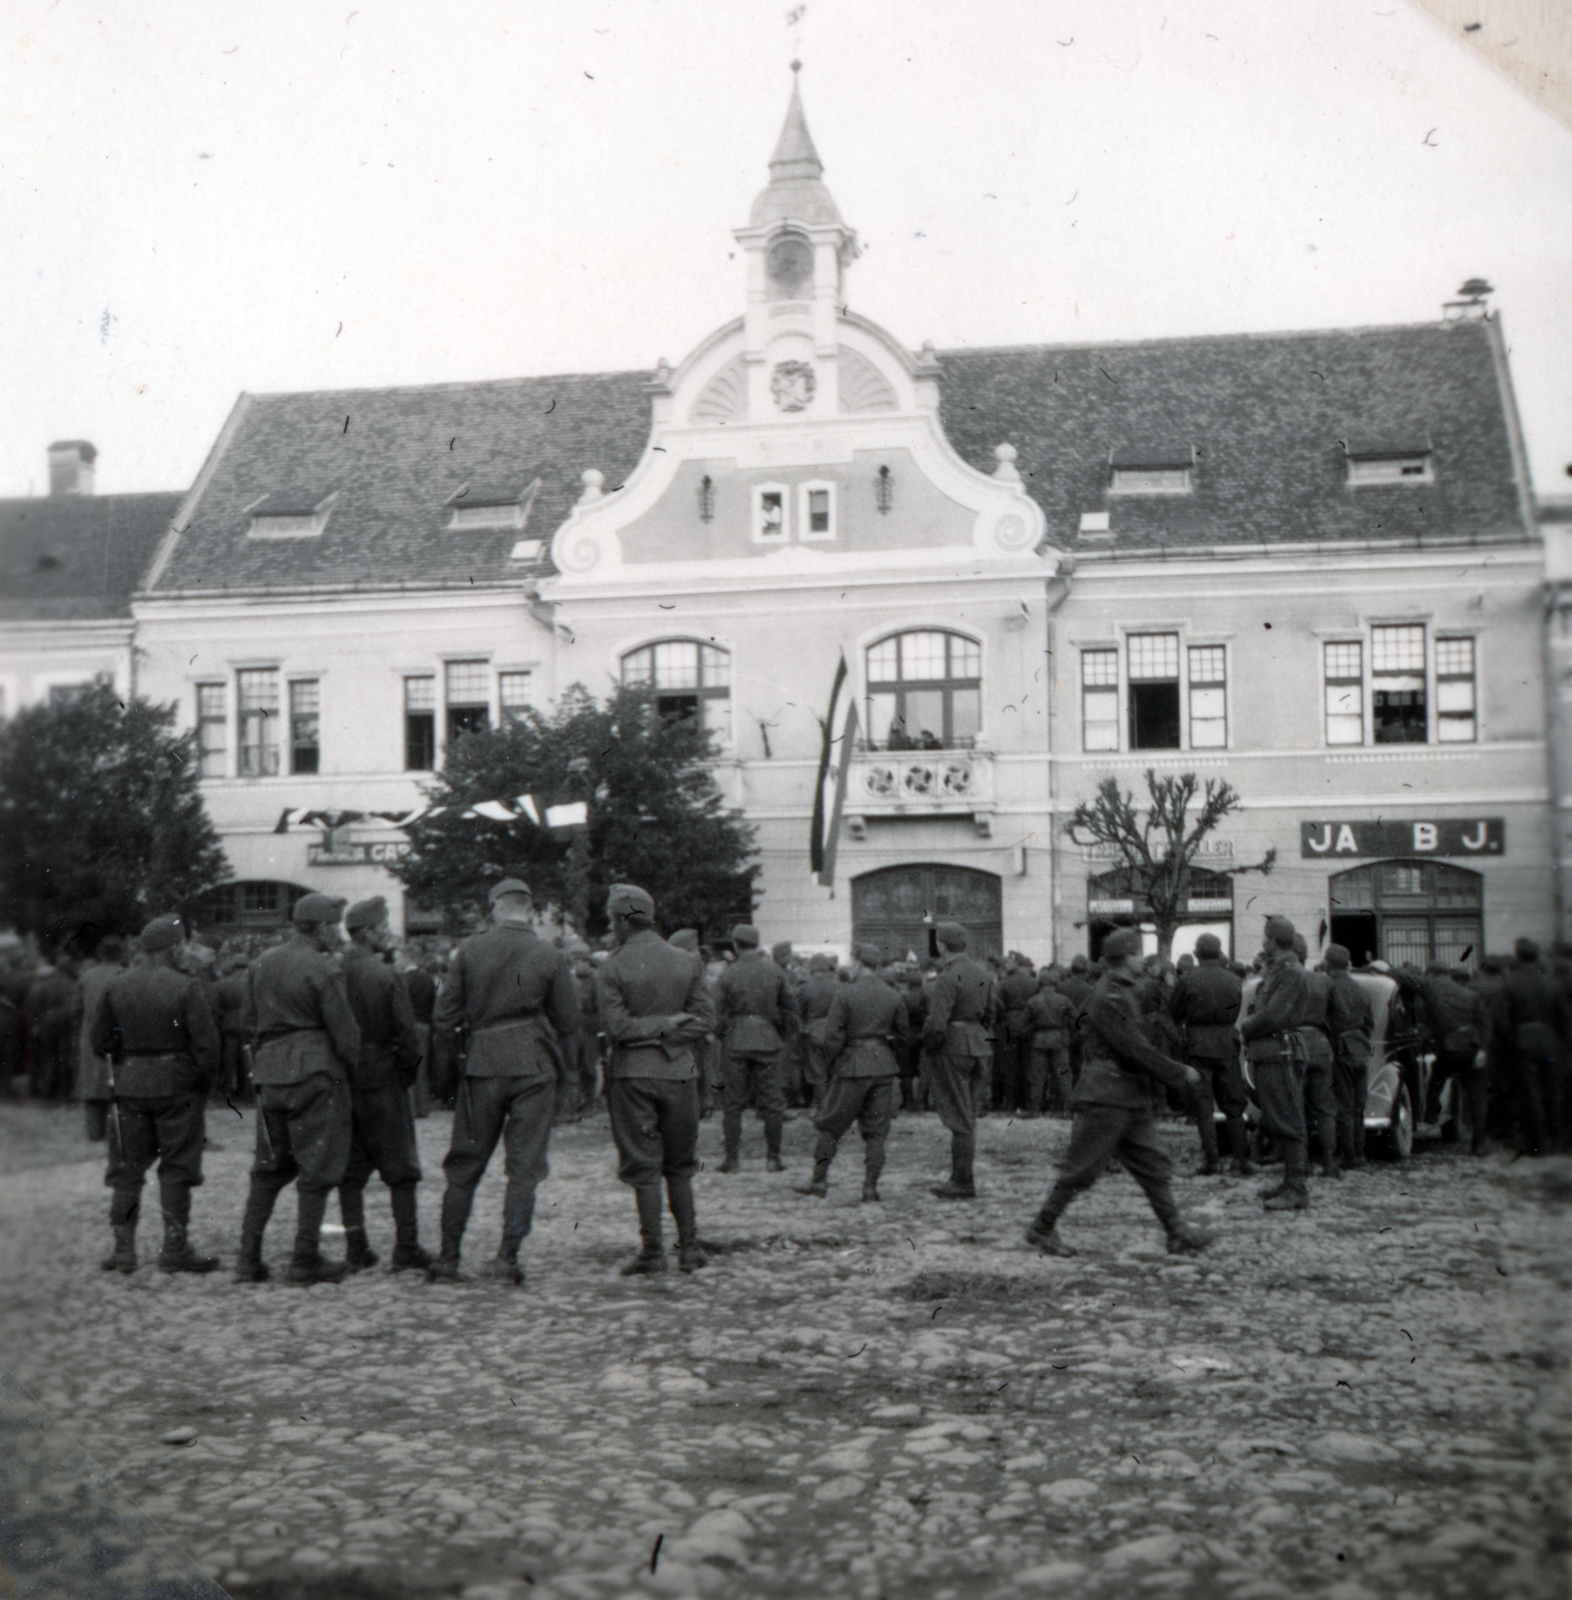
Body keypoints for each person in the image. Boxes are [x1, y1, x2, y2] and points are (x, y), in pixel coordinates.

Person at [1023, 928, 1210, 1258]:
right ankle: (1042, 1227)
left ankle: (1176, 1231)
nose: (1142, 960)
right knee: (1080, 1168)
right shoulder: (1110, 996)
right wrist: (1178, 1072)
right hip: (1108, 1094)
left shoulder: (1122, 991)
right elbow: (1134, 1048)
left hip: (1126, 1094)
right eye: (1137, 954)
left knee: (1153, 1164)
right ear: (1124, 959)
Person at [428, 879, 579, 1284]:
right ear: (528, 909)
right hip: (533, 1063)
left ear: (494, 907)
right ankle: (507, 1257)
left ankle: (447, 1258)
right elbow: (568, 1021)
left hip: (482, 1064)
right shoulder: (548, 952)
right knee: (524, 1169)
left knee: (463, 1166)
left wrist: (463, 1052)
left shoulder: (468, 951)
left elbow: (444, 1019)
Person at [234, 894, 360, 1284]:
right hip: (314, 1069)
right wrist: (349, 1066)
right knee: (317, 1167)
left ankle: (247, 1259)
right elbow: (346, 1033)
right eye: (334, 926)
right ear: (320, 927)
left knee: (268, 1168)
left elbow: (249, 1020)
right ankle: (304, 1259)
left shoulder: (262, 963)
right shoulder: (322, 968)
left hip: (270, 1073)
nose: (338, 934)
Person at [90, 915, 222, 1274]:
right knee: (177, 1166)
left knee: (127, 1168)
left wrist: (129, 1058)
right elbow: (208, 1049)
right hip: (177, 1085)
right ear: (174, 947)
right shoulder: (186, 986)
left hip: (130, 1084)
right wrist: (194, 1079)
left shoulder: (116, 985)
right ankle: (175, 1247)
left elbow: (99, 1041)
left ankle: (124, 1250)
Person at [596, 885, 716, 1274]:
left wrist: (652, 1030)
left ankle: (652, 1252)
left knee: (644, 1166)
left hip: (632, 1074)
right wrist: (669, 1033)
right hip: (680, 1071)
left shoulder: (612, 965)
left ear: (618, 920)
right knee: (681, 1165)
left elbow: (616, 1027)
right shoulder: (686, 961)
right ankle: (690, 1247)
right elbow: (705, 1020)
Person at [335, 897, 429, 1272]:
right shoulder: (386, 975)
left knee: (350, 1170)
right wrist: (404, 1075)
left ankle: (356, 1247)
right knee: (401, 1168)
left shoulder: (332, 971)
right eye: (384, 927)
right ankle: (406, 1247)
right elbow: (407, 1037)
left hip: (345, 1078)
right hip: (384, 1076)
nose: (389, 934)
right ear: (368, 932)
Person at [795, 943, 908, 1202]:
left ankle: (819, 1181)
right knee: (878, 1132)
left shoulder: (845, 993)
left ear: (857, 962)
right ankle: (870, 1188)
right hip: (883, 1065)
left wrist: (833, 1062)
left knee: (831, 1124)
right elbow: (903, 1035)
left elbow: (832, 1036)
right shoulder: (893, 994)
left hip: (852, 1064)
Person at [1238, 916, 1312, 1211]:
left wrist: (1245, 1026)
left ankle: (1297, 1187)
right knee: (1279, 1117)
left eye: (1264, 937)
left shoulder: (1290, 972)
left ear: (1271, 940)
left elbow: (1273, 1016)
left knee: (1288, 1119)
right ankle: (1289, 1182)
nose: (1262, 942)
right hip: (1270, 1053)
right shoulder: (1280, 970)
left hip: (1279, 1053)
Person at [714, 924, 800, 1172]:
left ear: (735, 945)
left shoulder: (728, 974)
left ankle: (732, 1160)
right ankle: (773, 1158)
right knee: (772, 1101)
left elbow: (717, 1011)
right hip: (767, 1038)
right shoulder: (775, 971)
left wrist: (725, 1033)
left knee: (732, 1103)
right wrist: (775, 1031)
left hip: (736, 1039)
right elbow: (790, 1008)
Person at [1166, 932, 1247, 1174]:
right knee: (1234, 1104)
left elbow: (1174, 1011)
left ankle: (1212, 1160)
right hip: (1226, 1043)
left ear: (1197, 953)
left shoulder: (1188, 979)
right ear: (1219, 952)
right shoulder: (1234, 980)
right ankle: (1240, 1159)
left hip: (1198, 1044)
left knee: (1203, 1105)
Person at [923, 922, 993, 1200]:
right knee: (969, 1115)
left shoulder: (947, 977)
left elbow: (937, 1023)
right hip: (978, 1044)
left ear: (941, 946)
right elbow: (991, 1014)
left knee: (960, 1118)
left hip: (953, 1047)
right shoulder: (983, 973)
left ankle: (962, 1181)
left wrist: (929, 1047)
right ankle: (960, 1178)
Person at [1491, 937, 1569, 1157]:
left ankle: (1537, 1145)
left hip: (1522, 1041)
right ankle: (1556, 1140)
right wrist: (1561, 1042)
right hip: (1549, 1041)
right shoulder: (1551, 983)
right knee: (1551, 1090)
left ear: (1518, 956)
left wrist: (1511, 1040)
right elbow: (1563, 1018)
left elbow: (1500, 1019)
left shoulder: (1510, 983)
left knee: (1529, 1093)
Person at [1323, 945, 1373, 1167]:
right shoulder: (1361, 988)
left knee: (1342, 1105)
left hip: (1340, 1048)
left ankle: (1348, 1155)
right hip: (1361, 1049)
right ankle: (1360, 1154)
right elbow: (1369, 1024)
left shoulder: (1329, 986)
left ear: (1328, 964)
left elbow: (1325, 1021)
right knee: (1358, 1106)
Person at [1295, 934, 1340, 1179]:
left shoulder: (1281, 978)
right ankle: (1329, 1163)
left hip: (1292, 1044)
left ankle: (1301, 1164)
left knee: (1296, 1107)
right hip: (1320, 1044)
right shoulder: (1323, 980)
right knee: (1325, 1109)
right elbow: (1340, 1014)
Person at [77, 935, 127, 1141]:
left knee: (92, 1088)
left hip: (90, 1037)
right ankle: (117, 1133)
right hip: (118, 1038)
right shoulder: (124, 975)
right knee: (118, 1086)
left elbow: (76, 1008)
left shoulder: (86, 977)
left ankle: (94, 1134)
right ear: (121, 953)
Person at [1023, 969, 1074, 1117]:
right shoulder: (1064, 1000)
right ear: (1055, 983)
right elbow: (1076, 1018)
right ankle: (1068, 1109)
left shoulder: (1032, 1001)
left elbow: (1023, 1024)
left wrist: (1034, 1026)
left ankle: (1035, 1109)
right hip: (1059, 1038)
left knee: (1038, 1076)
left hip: (1039, 1039)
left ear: (1040, 983)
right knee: (1063, 1074)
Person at [995, 953, 1039, 1116]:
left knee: (1010, 1066)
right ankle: (1027, 1102)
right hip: (1028, 1025)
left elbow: (997, 1005)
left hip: (1008, 1025)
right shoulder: (1033, 983)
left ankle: (1011, 1104)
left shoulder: (1003, 984)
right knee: (1028, 1065)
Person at [400, 951, 438, 1118]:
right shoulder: (428, 979)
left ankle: (412, 1107)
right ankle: (424, 1107)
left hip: (412, 1025)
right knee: (423, 1066)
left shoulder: (405, 980)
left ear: (405, 960)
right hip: (426, 1025)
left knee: (411, 1064)